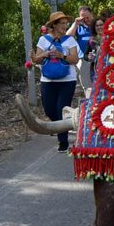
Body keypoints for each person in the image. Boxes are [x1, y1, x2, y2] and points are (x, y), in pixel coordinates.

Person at [31, 11, 81, 152]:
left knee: (61, 109)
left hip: (67, 80)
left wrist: (62, 55)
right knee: (49, 109)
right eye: (62, 23)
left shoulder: (70, 40)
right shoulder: (43, 40)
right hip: (48, 80)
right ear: (54, 25)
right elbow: (37, 59)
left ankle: (63, 142)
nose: (65, 26)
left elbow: (75, 60)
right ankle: (60, 127)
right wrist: (44, 54)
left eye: (66, 23)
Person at [72, 6, 96, 87]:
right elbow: (67, 36)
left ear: (91, 14)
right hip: (83, 59)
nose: (86, 19)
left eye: (87, 17)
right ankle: (88, 98)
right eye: (83, 18)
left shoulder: (97, 24)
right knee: (87, 85)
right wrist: (76, 23)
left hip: (98, 58)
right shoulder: (78, 26)